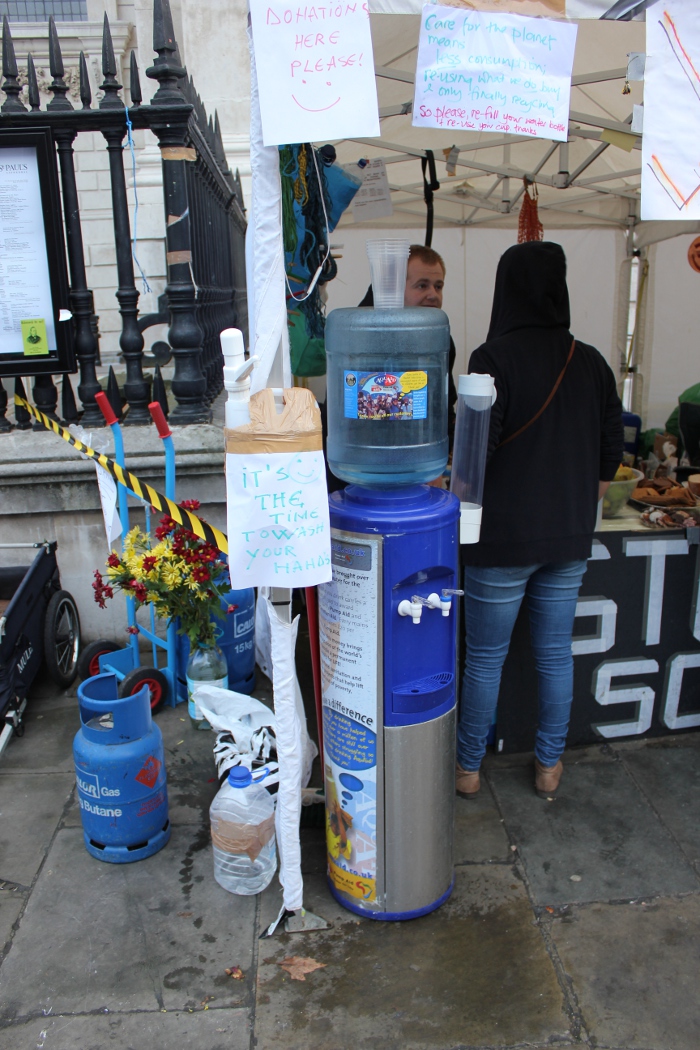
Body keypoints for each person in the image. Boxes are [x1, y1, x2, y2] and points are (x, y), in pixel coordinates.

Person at [455, 241, 623, 800]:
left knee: (484, 659)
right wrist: (571, 502)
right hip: (569, 537)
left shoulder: (492, 358)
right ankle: (550, 766)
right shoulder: (593, 360)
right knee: (555, 654)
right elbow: (609, 460)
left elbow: (474, 460)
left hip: (501, 540)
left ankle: (469, 769)